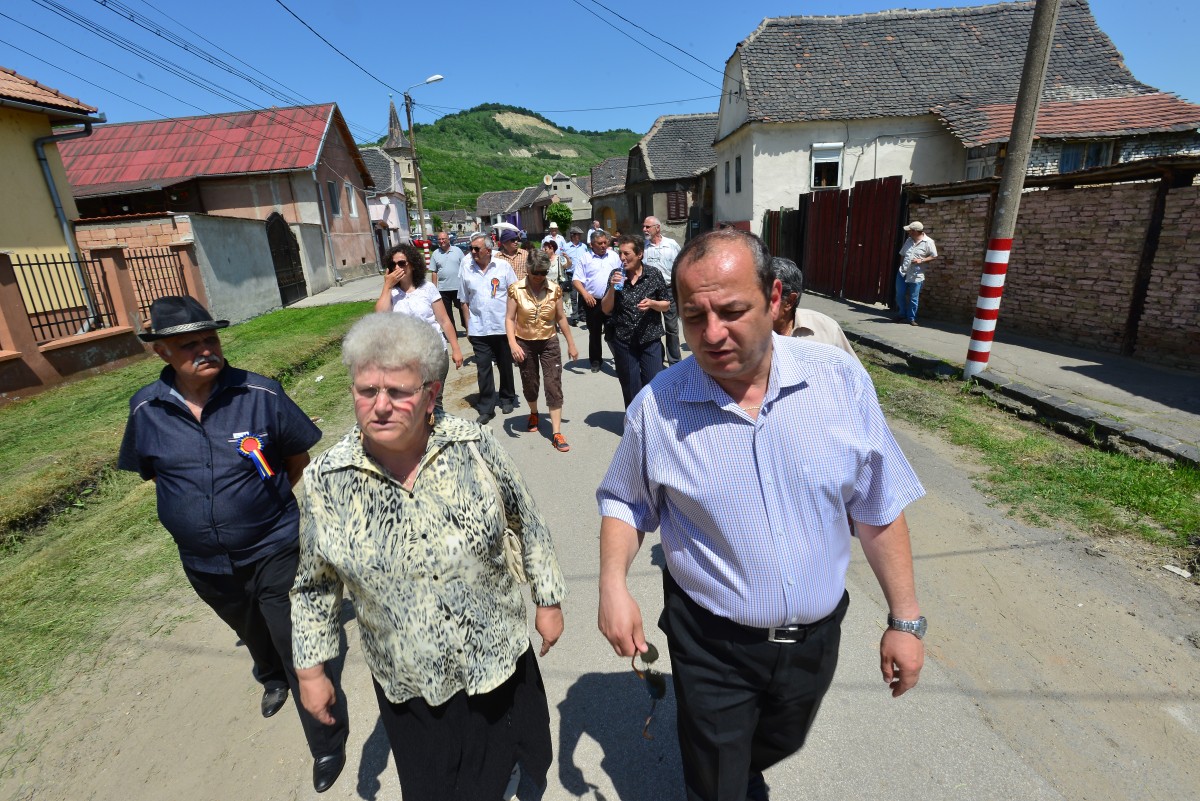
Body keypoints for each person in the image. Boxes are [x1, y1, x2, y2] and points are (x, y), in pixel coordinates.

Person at [596, 229, 927, 801]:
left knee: (779, 738)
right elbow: (627, 500)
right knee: (719, 776)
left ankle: (742, 762)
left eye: (732, 311)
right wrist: (612, 583)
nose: (713, 333)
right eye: (694, 316)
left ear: (776, 299)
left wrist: (905, 620)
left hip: (815, 641)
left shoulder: (839, 380)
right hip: (711, 641)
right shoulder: (659, 405)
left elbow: (877, 504)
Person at [291, 312, 566, 801]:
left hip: (498, 659)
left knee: (521, 764)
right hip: (412, 682)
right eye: (366, 390)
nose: (380, 407)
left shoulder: (471, 445)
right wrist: (311, 672)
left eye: (398, 392)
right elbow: (313, 587)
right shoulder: (327, 481)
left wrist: (547, 600)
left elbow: (528, 519)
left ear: (431, 395)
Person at [116, 296, 349, 794]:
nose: (205, 350)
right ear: (162, 353)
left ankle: (328, 742)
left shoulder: (259, 394)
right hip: (203, 562)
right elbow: (156, 474)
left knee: (296, 642)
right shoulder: (146, 409)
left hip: (274, 547)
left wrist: (259, 509)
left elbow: (296, 457)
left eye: (211, 339)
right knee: (247, 624)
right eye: (189, 344)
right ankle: (271, 677)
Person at [505, 250, 579, 452]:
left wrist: (571, 343)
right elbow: (510, 319)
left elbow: (561, 317)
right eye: (536, 272)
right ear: (528, 269)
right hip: (524, 343)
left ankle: (556, 433)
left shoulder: (554, 289)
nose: (539, 276)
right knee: (530, 383)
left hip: (549, 342)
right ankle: (534, 412)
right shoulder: (516, 289)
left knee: (553, 383)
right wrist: (513, 344)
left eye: (544, 272)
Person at [374, 243, 465, 385]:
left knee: (434, 400)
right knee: (414, 401)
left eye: (402, 263)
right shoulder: (391, 292)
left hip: (434, 353)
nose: (397, 268)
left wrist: (456, 349)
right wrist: (387, 286)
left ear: (413, 264)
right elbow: (380, 316)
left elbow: (444, 320)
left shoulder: (427, 288)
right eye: (393, 265)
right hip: (406, 357)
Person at [601, 235, 670, 408]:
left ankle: (654, 425)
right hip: (624, 341)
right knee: (631, 388)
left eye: (627, 254)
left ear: (639, 254)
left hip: (650, 340)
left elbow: (666, 305)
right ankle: (634, 428)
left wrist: (653, 304)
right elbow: (605, 309)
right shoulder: (616, 275)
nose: (622, 258)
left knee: (654, 386)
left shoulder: (653, 274)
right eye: (620, 254)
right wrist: (611, 288)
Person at [460, 232, 519, 423]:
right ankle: (486, 406)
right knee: (483, 368)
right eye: (471, 249)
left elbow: (515, 294)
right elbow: (464, 300)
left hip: (502, 326)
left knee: (505, 364)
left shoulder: (503, 267)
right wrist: (468, 326)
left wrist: (515, 323)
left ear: (488, 249)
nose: (473, 252)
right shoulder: (467, 268)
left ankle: (507, 397)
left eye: (476, 249)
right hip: (479, 328)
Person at [770, 256, 861, 365]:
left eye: (764, 298)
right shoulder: (748, 333)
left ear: (789, 301)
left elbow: (855, 375)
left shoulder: (827, 330)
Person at [572, 230, 621, 373]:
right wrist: (585, 294)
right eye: (600, 243)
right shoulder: (585, 258)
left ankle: (620, 359)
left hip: (612, 301)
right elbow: (576, 280)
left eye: (605, 242)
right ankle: (595, 360)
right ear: (592, 244)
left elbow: (621, 273)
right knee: (594, 333)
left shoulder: (613, 256)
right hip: (593, 302)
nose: (604, 245)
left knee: (614, 332)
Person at [642, 216, 683, 365]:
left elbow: (681, 266)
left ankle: (675, 362)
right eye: (644, 227)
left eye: (648, 227)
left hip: (669, 290)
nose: (644, 229)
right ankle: (656, 360)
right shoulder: (643, 247)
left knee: (672, 329)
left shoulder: (671, 245)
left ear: (657, 228)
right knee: (653, 328)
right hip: (650, 292)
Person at [896, 221, 937, 326]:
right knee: (900, 295)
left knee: (914, 298)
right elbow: (903, 254)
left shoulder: (928, 242)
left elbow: (934, 256)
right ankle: (901, 314)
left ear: (915, 231)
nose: (908, 232)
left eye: (910, 230)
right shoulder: (909, 240)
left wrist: (921, 260)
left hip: (916, 275)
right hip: (903, 273)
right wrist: (902, 266)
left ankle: (911, 318)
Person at [429, 231, 468, 332]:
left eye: (443, 239)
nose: (441, 241)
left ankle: (467, 328)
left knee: (463, 309)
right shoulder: (435, 254)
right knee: (447, 313)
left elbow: (465, 267)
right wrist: (434, 289)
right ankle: (452, 332)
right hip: (443, 289)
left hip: (458, 287)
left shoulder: (457, 251)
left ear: (448, 239)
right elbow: (434, 272)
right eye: (439, 239)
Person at [562, 227, 590, 324]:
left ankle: (582, 314)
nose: (580, 237)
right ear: (573, 235)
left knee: (582, 295)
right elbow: (562, 260)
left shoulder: (584, 247)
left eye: (580, 235)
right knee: (573, 296)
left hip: (582, 274)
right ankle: (574, 316)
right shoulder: (566, 247)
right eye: (578, 235)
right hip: (571, 274)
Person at [542, 238, 573, 318]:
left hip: (559, 287)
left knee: (560, 308)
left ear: (552, 248)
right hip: (547, 287)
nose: (544, 250)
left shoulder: (559, 258)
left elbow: (567, 266)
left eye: (545, 249)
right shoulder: (544, 260)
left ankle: (560, 323)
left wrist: (568, 258)